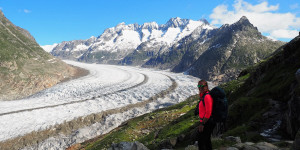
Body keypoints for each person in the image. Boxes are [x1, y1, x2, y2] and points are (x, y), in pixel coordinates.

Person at [197, 79, 216, 150]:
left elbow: (208, 112)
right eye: (199, 86)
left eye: (202, 86)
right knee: (207, 140)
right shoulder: (203, 95)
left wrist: (202, 124)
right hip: (206, 121)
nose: (200, 87)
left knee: (201, 142)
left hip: (208, 121)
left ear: (206, 86)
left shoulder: (207, 96)